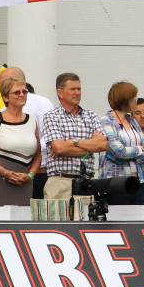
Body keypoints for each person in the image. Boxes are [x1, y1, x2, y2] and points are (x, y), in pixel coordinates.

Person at [41, 73, 107, 201]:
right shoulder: (51, 116)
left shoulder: (91, 115)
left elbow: (102, 145)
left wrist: (73, 142)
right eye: (73, 89)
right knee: (57, 220)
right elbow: (59, 148)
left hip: (87, 181)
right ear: (60, 93)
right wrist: (90, 146)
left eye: (79, 89)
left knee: (86, 219)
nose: (77, 92)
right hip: (60, 181)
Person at [0, 74, 41, 206]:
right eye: (17, 92)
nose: (22, 95)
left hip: (25, 183)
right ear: (5, 97)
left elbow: (38, 155)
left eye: (24, 91)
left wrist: (30, 176)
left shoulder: (32, 121)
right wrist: (5, 173)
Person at [98, 82, 144, 205]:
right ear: (125, 100)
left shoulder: (133, 121)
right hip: (117, 184)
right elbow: (119, 151)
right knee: (118, 222)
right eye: (134, 97)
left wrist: (128, 154)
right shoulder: (106, 121)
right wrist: (139, 150)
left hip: (139, 183)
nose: (136, 100)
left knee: (138, 223)